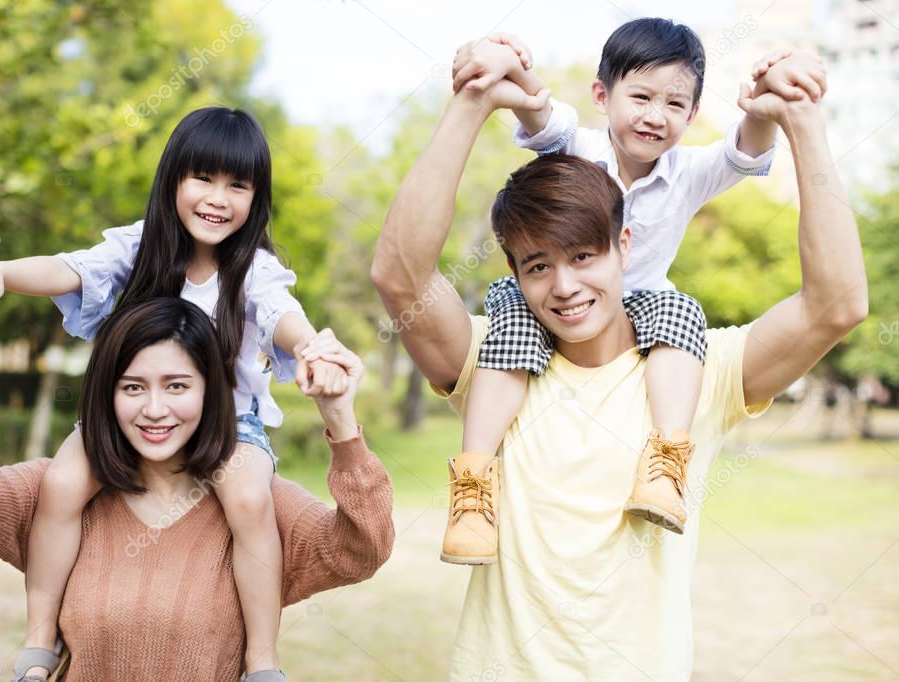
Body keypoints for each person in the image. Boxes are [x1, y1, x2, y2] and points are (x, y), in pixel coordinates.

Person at [371, 54, 866, 679]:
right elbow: (398, 274)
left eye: (583, 255)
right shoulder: (495, 359)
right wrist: (472, 100)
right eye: (537, 266)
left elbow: (837, 303)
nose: (565, 286)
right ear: (515, 275)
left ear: (624, 246)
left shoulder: (696, 370)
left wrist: (803, 123)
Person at [0, 107, 350, 681]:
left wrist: (311, 349)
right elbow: (68, 269)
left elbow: (284, 315)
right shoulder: (137, 247)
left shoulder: (253, 270)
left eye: (238, 185)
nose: (218, 198)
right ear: (173, 179)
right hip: (125, 418)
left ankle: (260, 660)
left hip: (230, 425)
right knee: (60, 484)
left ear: (257, 198)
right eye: (202, 178)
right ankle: (38, 642)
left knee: (251, 501)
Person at [440, 20, 828, 563]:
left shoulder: (689, 171)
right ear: (603, 95)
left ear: (692, 115)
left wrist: (767, 99)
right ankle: (474, 483)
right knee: (508, 326)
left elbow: (746, 147)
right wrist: (503, 57)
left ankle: (666, 461)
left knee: (682, 313)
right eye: (640, 96)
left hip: (640, 304)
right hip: (551, 291)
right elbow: (532, 102)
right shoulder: (574, 143)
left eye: (674, 104)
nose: (654, 115)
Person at [0, 260, 394, 681]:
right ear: (107, 393)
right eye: (133, 388)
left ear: (212, 392)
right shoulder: (61, 489)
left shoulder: (258, 502)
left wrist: (340, 421)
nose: (155, 409)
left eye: (178, 385)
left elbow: (362, 548)